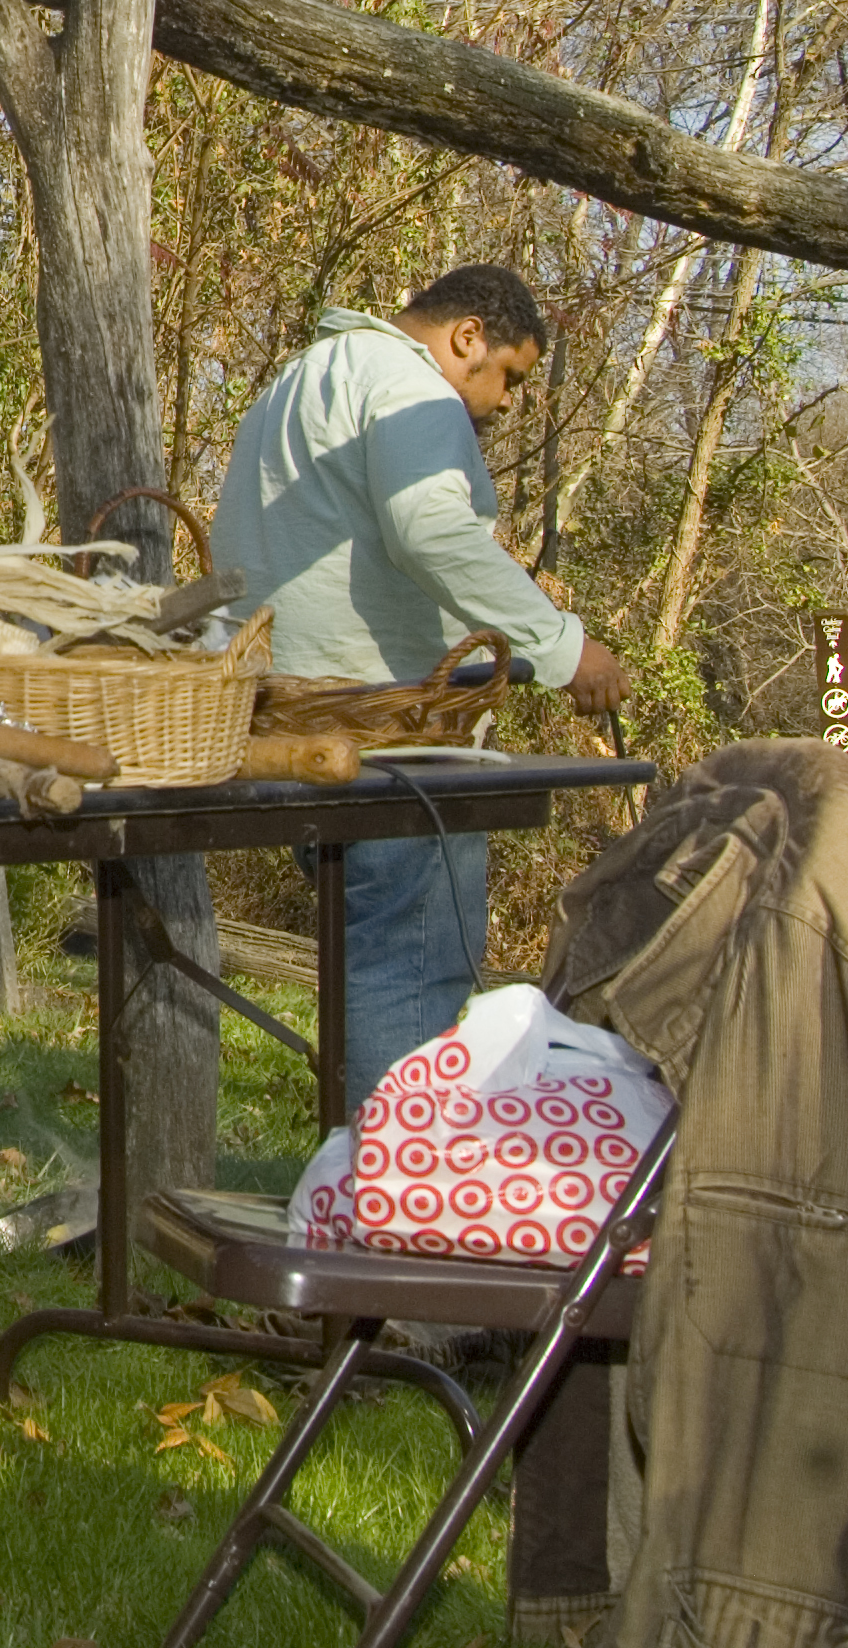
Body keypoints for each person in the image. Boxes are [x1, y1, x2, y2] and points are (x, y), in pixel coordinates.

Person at [208, 263, 630, 1104]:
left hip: (287, 715)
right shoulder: (413, 389)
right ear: (466, 337)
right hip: (388, 728)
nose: (506, 403)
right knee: (412, 962)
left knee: (371, 955)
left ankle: (355, 1182)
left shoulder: (306, 376)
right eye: (508, 374)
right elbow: (432, 531)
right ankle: (399, 1201)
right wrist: (561, 646)